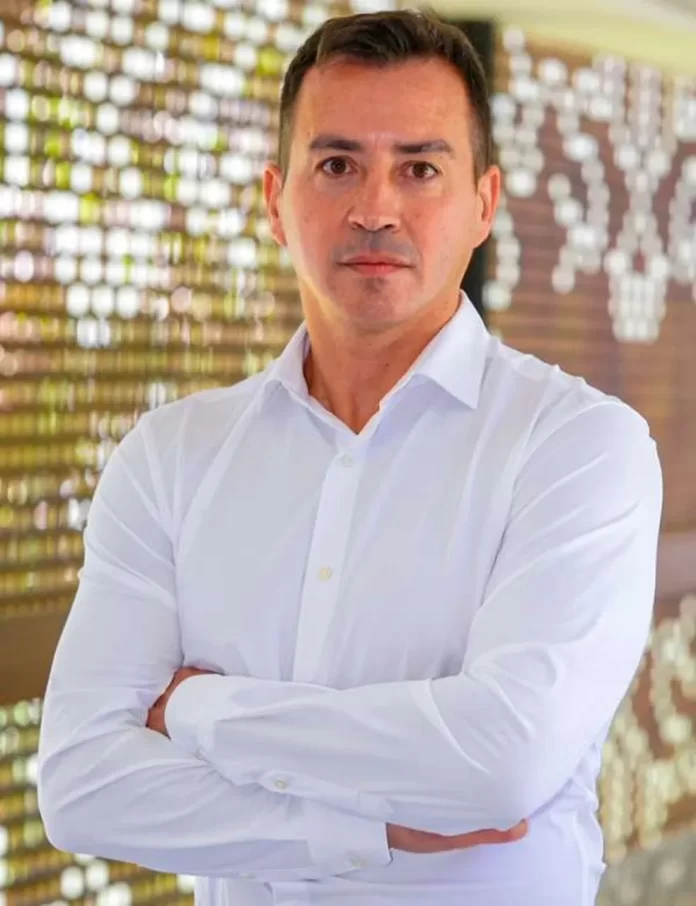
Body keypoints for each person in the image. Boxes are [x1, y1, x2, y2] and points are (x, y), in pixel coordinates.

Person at [37, 9, 663, 906]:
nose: (376, 209)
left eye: (420, 168)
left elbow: (500, 762)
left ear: (484, 204)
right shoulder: (170, 458)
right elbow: (83, 785)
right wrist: (364, 830)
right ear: (275, 202)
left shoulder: (577, 447)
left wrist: (201, 710)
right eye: (336, 165)